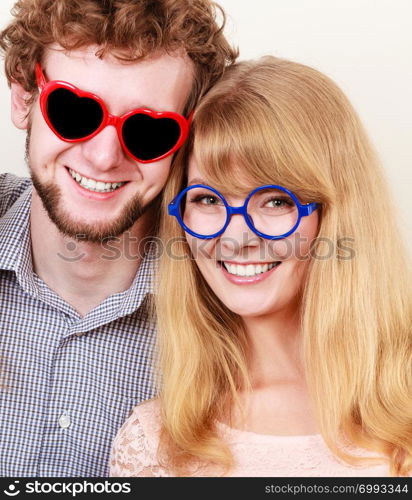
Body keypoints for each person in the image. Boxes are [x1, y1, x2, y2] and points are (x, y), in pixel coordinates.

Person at [110, 56, 412, 477]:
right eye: (208, 200)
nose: (236, 238)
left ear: (336, 212)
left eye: (275, 201)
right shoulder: (157, 442)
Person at [0, 0, 237, 476]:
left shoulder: (235, 303)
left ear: (186, 140)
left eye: (148, 130)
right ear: (25, 96)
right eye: (73, 110)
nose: (105, 156)